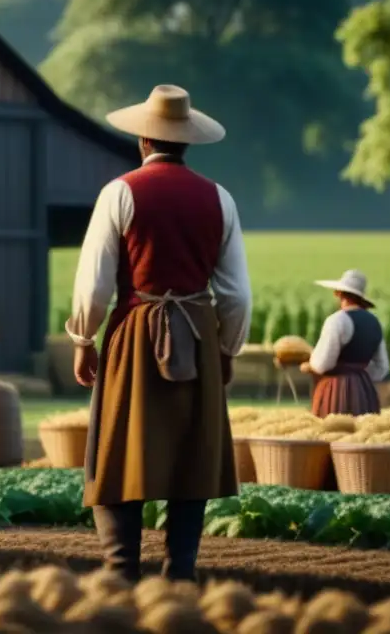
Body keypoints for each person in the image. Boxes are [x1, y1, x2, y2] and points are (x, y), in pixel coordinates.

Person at [67, 84, 251, 584]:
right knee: (192, 457)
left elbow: (95, 282)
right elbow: (236, 295)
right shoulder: (221, 199)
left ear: (144, 140)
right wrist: (227, 348)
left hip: (132, 336)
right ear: (186, 140)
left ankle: (121, 574)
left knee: (116, 452)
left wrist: (83, 339)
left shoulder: (119, 192)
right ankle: (180, 575)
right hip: (197, 334)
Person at [300, 270, 387, 417]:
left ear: (339, 294)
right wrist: (359, 375)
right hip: (364, 391)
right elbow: (381, 368)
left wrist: (310, 365)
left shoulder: (337, 320)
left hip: (336, 389)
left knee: (334, 432)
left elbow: (322, 364)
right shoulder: (375, 322)